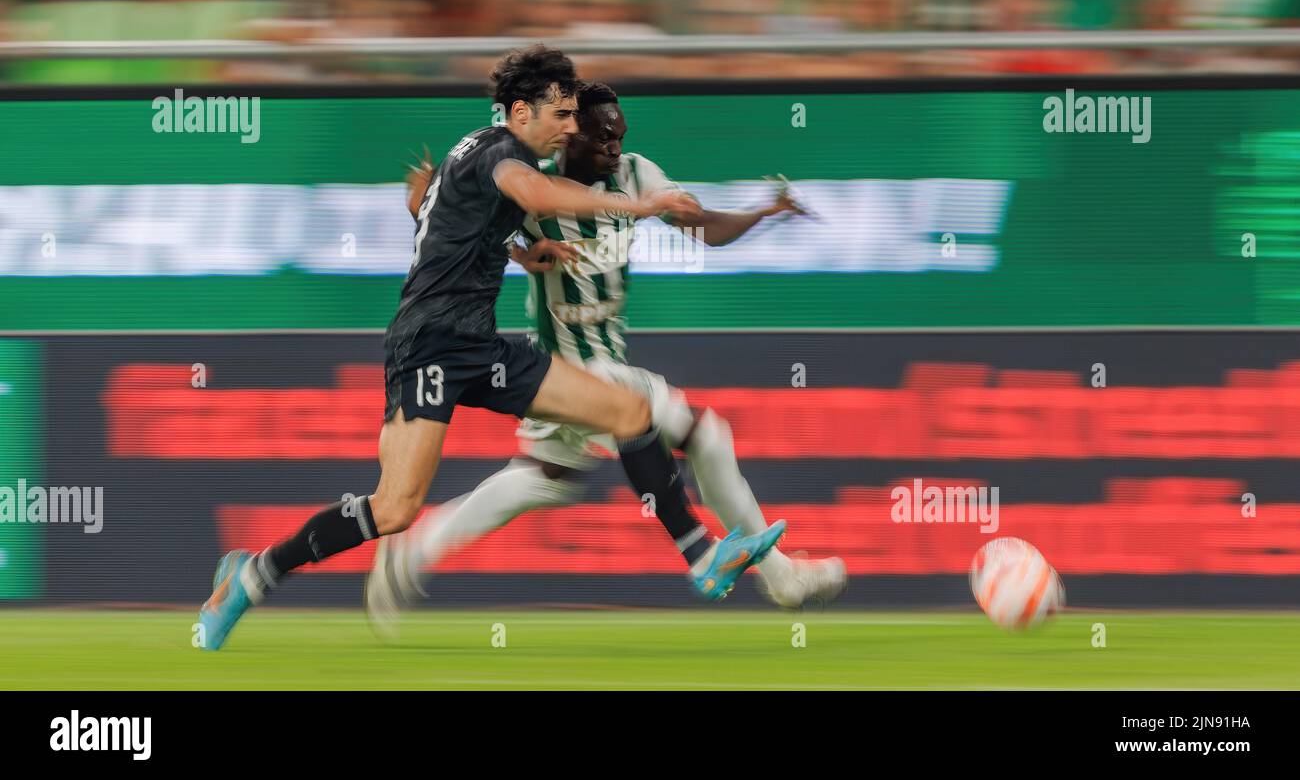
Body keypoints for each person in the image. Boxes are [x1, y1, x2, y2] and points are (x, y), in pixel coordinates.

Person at [196, 47, 785, 651]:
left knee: (630, 414)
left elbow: (441, 216)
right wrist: (640, 204)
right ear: (522, 110)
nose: (571, 127)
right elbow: (541, 196)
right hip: (427, 344)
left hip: (478, 344)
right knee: (394, 508)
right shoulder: (505, 154)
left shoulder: (481, 149)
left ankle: (703, 557)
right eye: (561, 114)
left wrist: (519, 255)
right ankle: (253, 573)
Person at [365, 80, 844, 637]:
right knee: (705, 434)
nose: (614, 148)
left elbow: (703, 226)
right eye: (601, 137)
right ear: (569, 137)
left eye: (619, 136)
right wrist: (451, 215)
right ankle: (779, 577)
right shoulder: (533, 185)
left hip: (596, 358)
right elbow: (460, 230)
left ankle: (409, 555)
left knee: (549, 478)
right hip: (566, 362)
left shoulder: (636, 174)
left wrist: (764, 212)